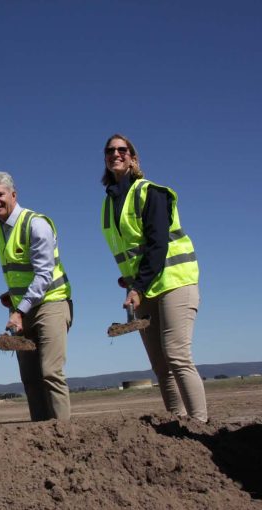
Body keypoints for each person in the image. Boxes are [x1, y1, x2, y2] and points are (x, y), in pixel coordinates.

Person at [100, 134, 206, 422]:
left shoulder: (151, 192)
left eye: (123, 150)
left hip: (175, 282)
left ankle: (200, 425)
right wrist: (130, 280)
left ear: (134, 158)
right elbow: (132, 250)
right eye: (110, 151)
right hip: (144, 288)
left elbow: (158, 244)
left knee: (177, 355)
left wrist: (138, 285)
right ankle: (177, 423)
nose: (116, 154)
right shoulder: (108, 205)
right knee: (160, 365)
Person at [0, 171, 72, 421]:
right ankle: (42, 434)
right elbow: (20, 270)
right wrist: (13, 296)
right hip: (23, 307)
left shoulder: (36, 224)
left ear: (13, 194)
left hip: (51, 303)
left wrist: (19, 310)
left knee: (51, 372)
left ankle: (64, 436)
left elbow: (44, 275)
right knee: (30, 378)